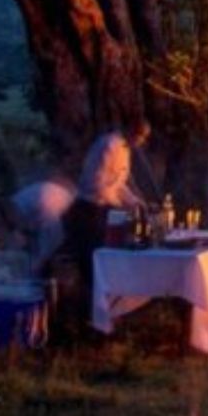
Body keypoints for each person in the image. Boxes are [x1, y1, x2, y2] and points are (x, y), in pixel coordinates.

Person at [63, 117, 150, 325]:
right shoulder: (109, 145)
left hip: (103, 210)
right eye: (141, 136)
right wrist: (120, 205)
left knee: (107, 264)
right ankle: (93, 321)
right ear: (130, 130)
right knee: (95, 267)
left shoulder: (125, 149)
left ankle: (108, 316)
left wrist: (136, 202)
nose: (142, 142)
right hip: (89, 210)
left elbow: (118, 184)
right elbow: (98, 185)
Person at [8, 174, 76, 277]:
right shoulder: (25, 203)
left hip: (60, 214)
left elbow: (50, 244)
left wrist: (37, 265)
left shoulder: (49, 210)